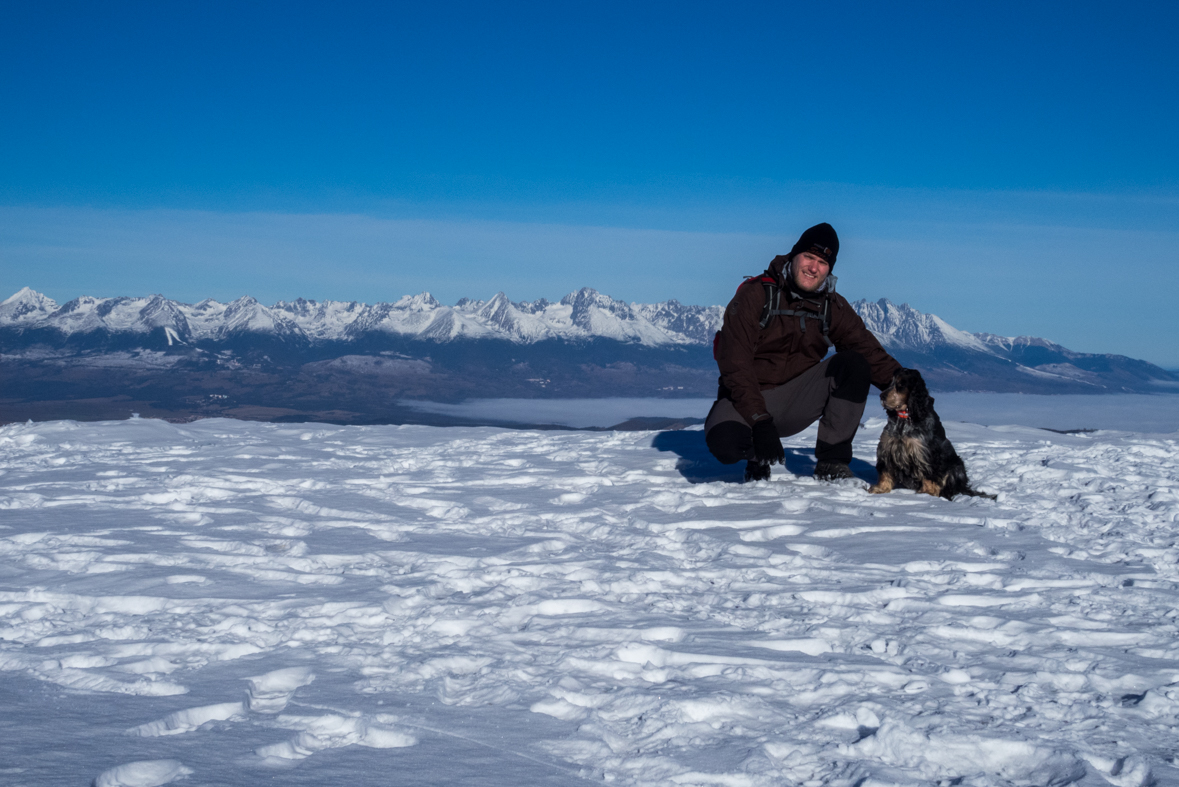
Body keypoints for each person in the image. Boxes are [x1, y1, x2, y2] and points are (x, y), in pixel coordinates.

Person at [705, 223, 902, 482]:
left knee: (853, 364)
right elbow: (735, 365)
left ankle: (832, 462)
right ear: (794, 255)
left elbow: (867, 350)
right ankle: (756, 458)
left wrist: (906, 385)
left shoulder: (832, 306)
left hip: (797, 398)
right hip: (747, 398)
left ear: (830, 268)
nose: (813, 267)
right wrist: (760, 421)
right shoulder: (755, 296)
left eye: (822, 262)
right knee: (725, 444)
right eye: (809, 257)